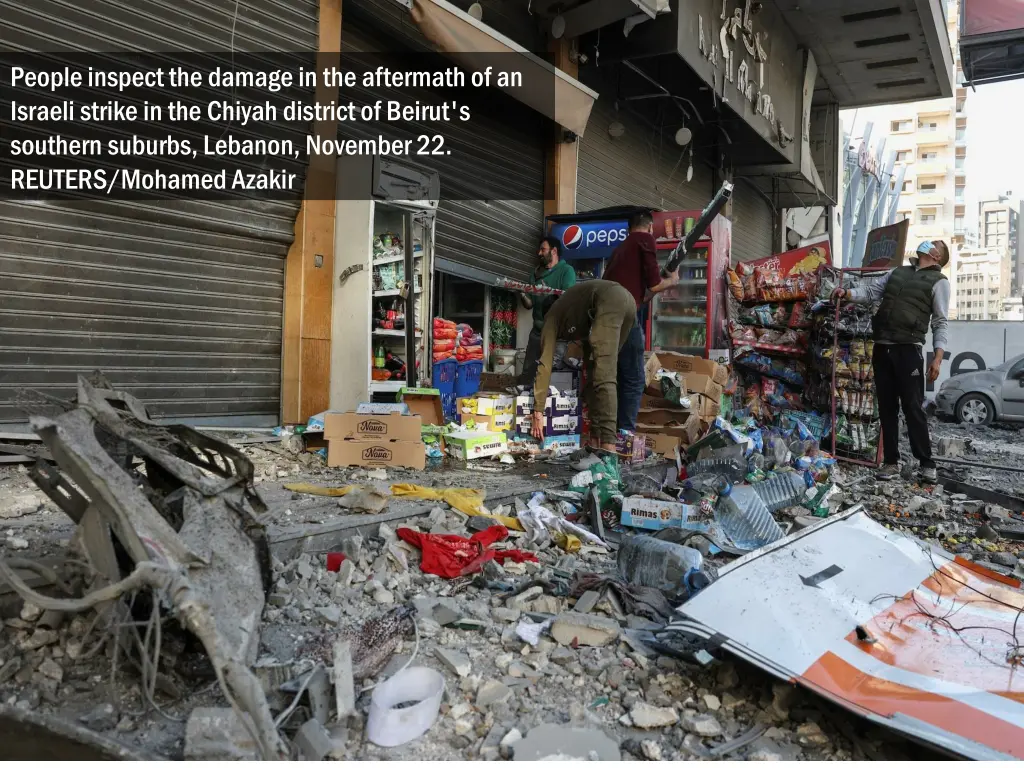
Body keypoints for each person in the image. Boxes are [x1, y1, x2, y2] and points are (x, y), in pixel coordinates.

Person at [833, 240, 950, 483]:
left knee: (913, 407)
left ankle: (927, 463)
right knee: (887, 407)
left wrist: (937, 358)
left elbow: (940, 322)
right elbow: (871, 292)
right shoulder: (897, 272)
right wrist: (848, 293)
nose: (927, 242)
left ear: (937, 256)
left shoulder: (939, 283)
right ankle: (890, 462)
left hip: (909, 350)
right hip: (883, 347)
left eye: (934, 243)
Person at [530, 280, 637, 453]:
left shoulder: (551, 317)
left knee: (605, 376)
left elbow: (545, 363)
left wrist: (538, 411)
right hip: (628, 303)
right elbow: (588, 364)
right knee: (597, 373)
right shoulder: (577, 311)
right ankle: (595, 444)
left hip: (611, 301)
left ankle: (609, 452)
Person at [601, 212, 681, 431]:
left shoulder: (619, 249)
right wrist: (672, 281)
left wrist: (654, 289)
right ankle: (625, 435)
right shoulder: (645, 240)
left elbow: (645, 294)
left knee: (618, 377)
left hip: (606, 320)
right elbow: (655, 285)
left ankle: (613, 433)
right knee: (635, 379)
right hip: (625, 317)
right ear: (649, 228)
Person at [516, 236, 577, 388]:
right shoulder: (535, 274)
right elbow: (529, 305)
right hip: (537, 331)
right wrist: (522, 293)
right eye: (539, 250)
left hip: (557, 333)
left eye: (543, 249)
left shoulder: (566, 271)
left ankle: (550, 404)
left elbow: (568, 299)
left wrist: (547, 293)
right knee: (529, 371)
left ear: (554, 251)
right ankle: (525, 400)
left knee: (552, 371)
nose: (539, 253)